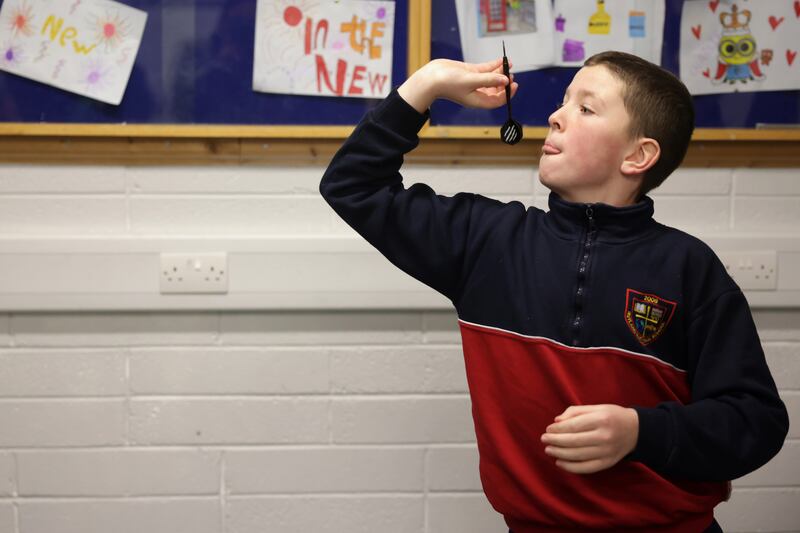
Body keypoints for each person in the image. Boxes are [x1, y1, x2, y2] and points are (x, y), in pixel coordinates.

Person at [319, 51, 789, 532]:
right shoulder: (486, 242)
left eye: (585, 108)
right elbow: (352, 184)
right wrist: (429, 83)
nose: (556, 116)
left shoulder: (689, 267)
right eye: (564, 103)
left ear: (638, 155)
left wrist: (640, 431)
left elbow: (756, 422)